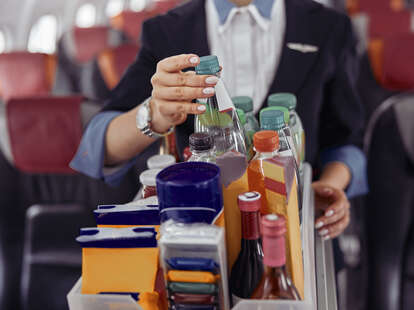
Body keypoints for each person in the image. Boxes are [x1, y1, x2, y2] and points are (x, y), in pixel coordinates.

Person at [71, 0, 368, 242]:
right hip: (197, 228)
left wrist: (329, 185)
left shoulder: (328, 27)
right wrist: (156, 113)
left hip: (298, 225)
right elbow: (100, 144)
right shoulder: (167, 31)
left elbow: (347, 141)